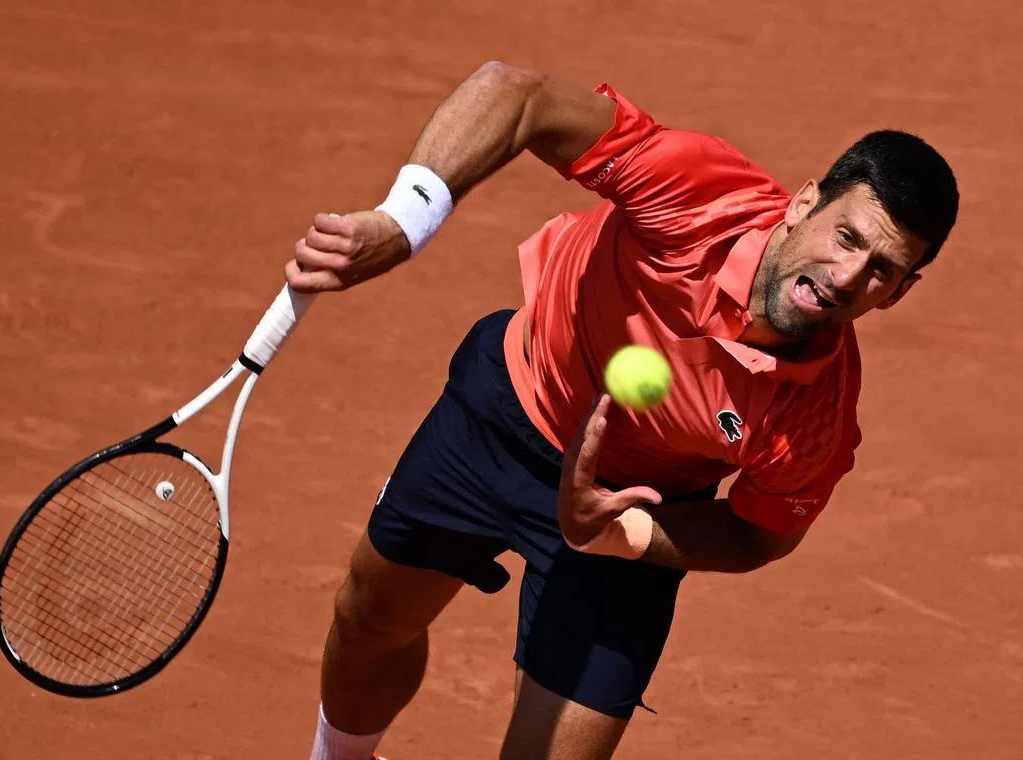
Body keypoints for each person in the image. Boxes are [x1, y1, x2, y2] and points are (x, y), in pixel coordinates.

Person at [283, 61, 959, 760]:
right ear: (803, 203)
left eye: (882, 269)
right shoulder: (699, 195)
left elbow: (758, 536)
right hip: (508, 407)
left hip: (634, 501)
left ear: (901, 291)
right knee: (369, 618)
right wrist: (403, 223)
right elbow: (520, 95)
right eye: (847, 237)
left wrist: (625, 533)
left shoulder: (817, 416)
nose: (848, 277)